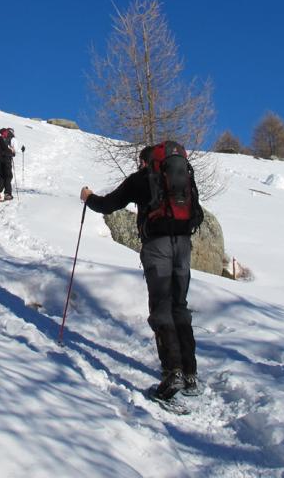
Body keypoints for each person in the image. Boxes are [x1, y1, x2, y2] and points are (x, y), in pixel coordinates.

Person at [79, 143, 203, 400]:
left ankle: (172, 373)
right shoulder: (184, 177)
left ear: (145, 162)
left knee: (161, 308)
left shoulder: (141, 178)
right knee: (180, 305)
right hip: (183, 245)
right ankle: (190, 373)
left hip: (157, 247)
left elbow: (109, 204)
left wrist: (88, 197)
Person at [0, 127, 18, 201]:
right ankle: (7, 194)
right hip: (7, 159)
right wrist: (13, 153)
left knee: (2, 175)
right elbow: (15, 150)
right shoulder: (13, 139)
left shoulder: (1, 137)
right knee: (8, 176)